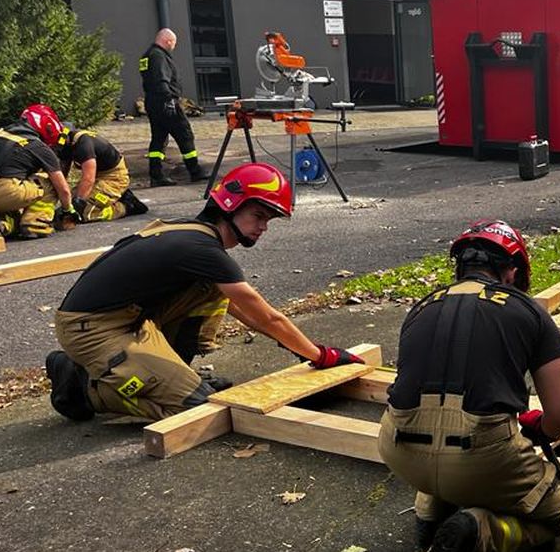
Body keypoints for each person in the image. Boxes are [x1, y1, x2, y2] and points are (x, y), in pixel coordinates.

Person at [45, 162, 363, 422]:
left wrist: (302, 350)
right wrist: (320, 355)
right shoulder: (201, 249)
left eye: (269, 219)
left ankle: (171, 372)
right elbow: (267, 317)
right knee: (197, 407)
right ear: (230, 205)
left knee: (212, 291)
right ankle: (84, 388)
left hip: (127, 318)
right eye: (258, 215)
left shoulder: (192, 235)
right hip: (92, 329)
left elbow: (248, 313)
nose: (264, 227)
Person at [378, 219, 560, 552]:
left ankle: (431, 511)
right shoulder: (528, 310)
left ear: (460, 267)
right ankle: (482, 532)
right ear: (512, 271)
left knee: (438, 438)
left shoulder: (421, 306)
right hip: (479, 456)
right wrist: (538, 425)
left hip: (398, 450)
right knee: (553, 514)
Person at [0, 104, 80, 238]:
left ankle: (1, 224)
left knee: (14, 215)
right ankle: (35, 224)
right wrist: (68, 210)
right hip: (5, 191)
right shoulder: (38, 147)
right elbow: (63, 189)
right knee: (50, 182)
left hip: (2, 195)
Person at [140, 28, 207, 186]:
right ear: (168, 41)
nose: (174, 46)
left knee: (159, 138)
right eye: (174, 43)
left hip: (153, 102)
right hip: (165, 102)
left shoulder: (147, 56)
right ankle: (195, 171)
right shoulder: (159, 56)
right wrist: (169, 99)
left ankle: (156, 175)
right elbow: (161, 80)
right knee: (185, 134)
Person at [58, 122, 149, 222]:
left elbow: (88, 179)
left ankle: (127, 206)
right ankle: (115, 196)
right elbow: (62, 174)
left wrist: (78, 203)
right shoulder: (66, 144)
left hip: (115, 178)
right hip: (99, 177)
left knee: (85, 213)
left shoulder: (83, 144)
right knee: (68, 203)